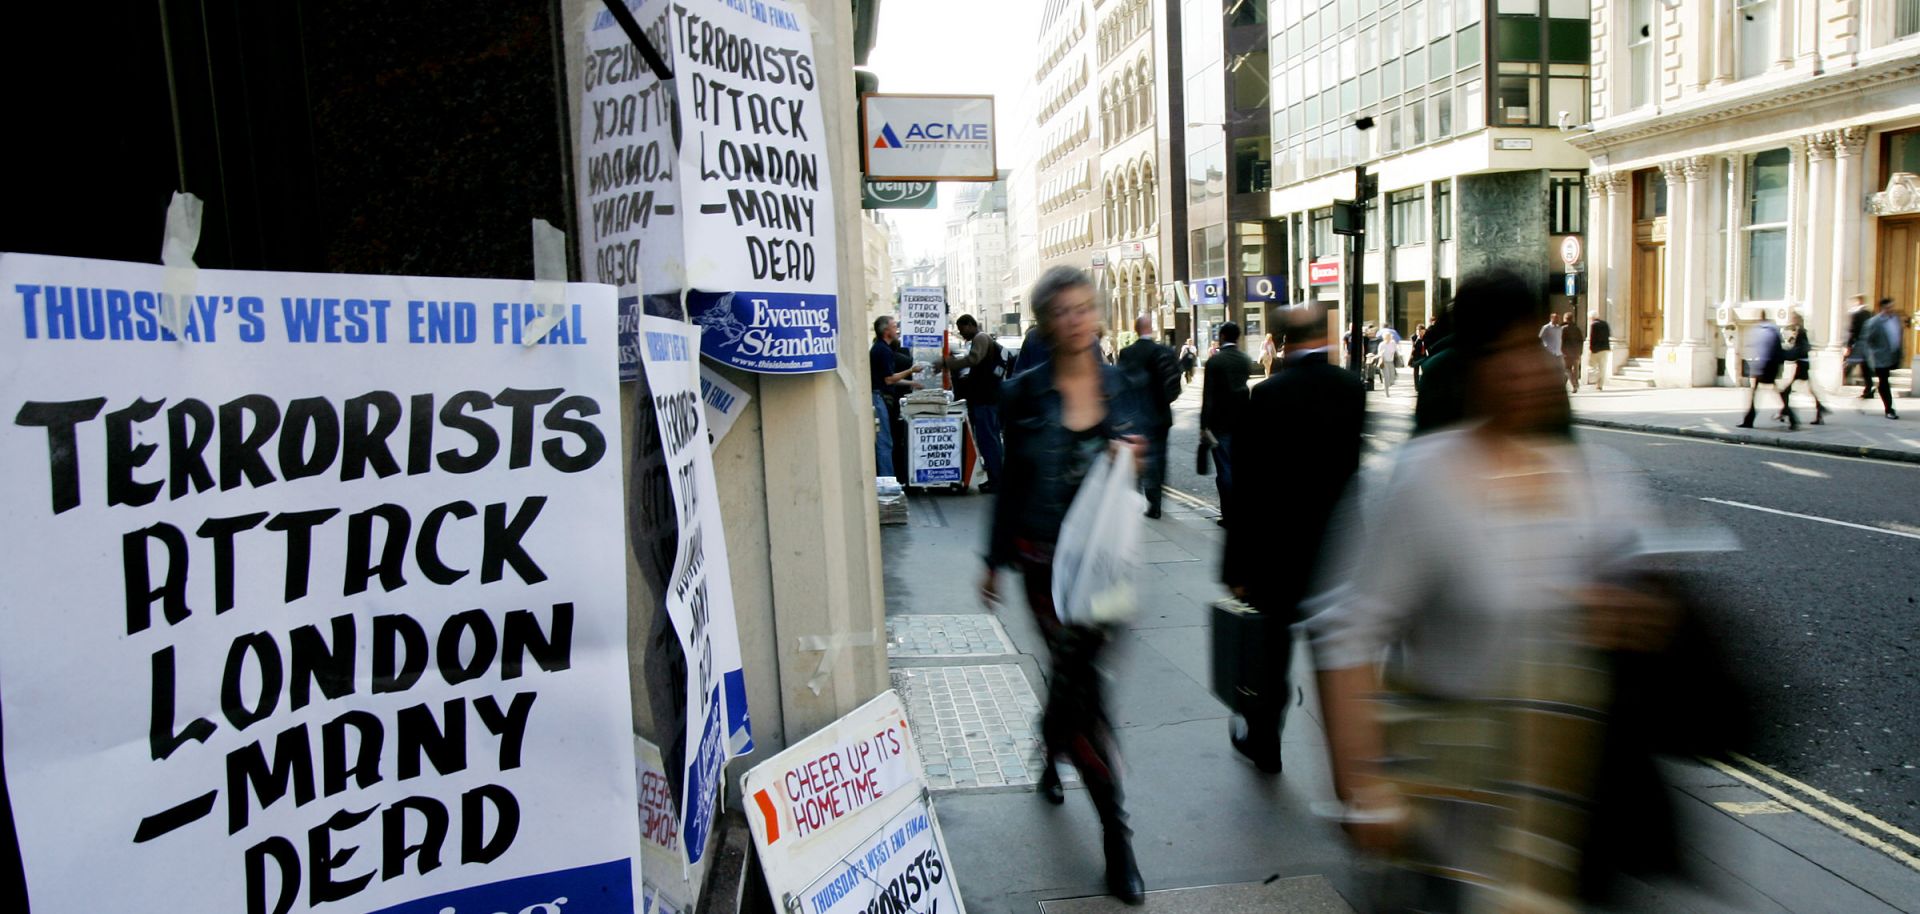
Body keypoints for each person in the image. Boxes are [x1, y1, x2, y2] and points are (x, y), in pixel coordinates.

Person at [1308, 267, 1671, 911]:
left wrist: (1631, 613)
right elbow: (1347, 633)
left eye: (1536, 343)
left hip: (1578, 805)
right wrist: (1364, 788)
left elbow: (1645, 606)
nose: (1528, 368)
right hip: (1460, 810)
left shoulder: (1598, 477)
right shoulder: (1427, 481)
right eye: (1502, 351)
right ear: (1470, 367)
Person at [981, 265, 1148, 904]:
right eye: (1063, 310)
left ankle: (1048, 745)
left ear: (1098, 315)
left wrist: (1136, 456)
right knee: (1088, 695)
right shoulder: (1022, 394)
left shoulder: (1122, 383)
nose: (1077, 319)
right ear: (1046, 322)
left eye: (1086, 307)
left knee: (1076, 682)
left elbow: (1143, 460)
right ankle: (1118, 835)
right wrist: (993, 561)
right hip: (1043, 562)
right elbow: (1013, 483)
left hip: (1105, 564)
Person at [1221, 304, 1364, 774]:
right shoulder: (1352, 390)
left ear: (1282, 342)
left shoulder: (1267, 396)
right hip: (1337, 550)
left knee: (1272, 657)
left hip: (1276, 554)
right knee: (1335, 658)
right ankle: (1348, 762)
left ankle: (1265, 744)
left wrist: (1236, 568)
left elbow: (1245, 489)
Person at [1118, 315, 1182, 518]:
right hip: (1160, 416)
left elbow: (1121, 386)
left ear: (1136, 330)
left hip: (1135, 416)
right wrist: (1163, 402)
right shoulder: (1164, 351)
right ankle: (1155, 505)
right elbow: (1174, 384)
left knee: (1136, 457)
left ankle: (1135, 500)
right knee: (1159, 458)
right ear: (1151, 328)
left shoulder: (1127, 353)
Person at [936, 314, 1008, 491]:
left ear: (970, 325)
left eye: (962, 329)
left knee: (988, 439)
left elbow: (973, 359)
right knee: (988, 439)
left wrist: (948, 363)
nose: (961, 334)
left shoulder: (980, 338)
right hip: (985, 398)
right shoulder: (980, 339)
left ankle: (997, 480)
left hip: (986, 399)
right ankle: (995, 478)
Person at [1201, 321, 1253, 526]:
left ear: (1221, 336)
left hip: (1220, 424)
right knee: (1238, 468)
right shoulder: (1245, 360)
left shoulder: (1215, 362)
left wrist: (1203, 426)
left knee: (1224, 469)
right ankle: (1241, 511)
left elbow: (1208, 397)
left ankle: (1229, 515)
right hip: (1242, 421)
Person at [869, 316, 922, 475]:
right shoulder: (882, 350)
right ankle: (888, 482)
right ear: (886, 331)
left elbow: (890, 379)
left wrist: (911, 383)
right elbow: (889, 379)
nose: (896, 330)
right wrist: (910, 371)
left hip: (881, 396)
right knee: (885, 443)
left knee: (886, 442)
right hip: (879, 398)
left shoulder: (882, 349)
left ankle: (889, 479)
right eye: (894, 327)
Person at [1738, 318, 1793, 430]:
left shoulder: (1766, 332)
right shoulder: (1774, 331)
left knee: (1759, 394)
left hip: (1766, 367)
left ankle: (1749, 421)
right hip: (1769, 367)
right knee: (1772, 393)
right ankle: (1792, 418)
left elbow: (1764, 350)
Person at [1776, 311, 1827, 425]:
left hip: (1802, 365)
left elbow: (1800, 350)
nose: (1792, 321)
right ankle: (1820, 410)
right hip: (1803, 364)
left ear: (1797, 320)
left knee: (1786, 391)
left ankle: (1786, 412)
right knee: (1808, 390)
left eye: (1793, 318)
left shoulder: (1801, 332)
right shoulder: (1801, 331)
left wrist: (1786, 353)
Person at [1861, 297, 1905, 419]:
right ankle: (1889, 409)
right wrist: (1874, 353)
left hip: (1894, 355)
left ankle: (1879, 390)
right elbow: (1868, 340)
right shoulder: (1874, 322)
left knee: (1884, 381)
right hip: (1880, 357)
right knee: (1884, 380)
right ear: (1882, 308)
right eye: (1888, 308)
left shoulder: (1895, 319)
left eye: (1892, 307)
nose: (1891, 309)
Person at [1845, 294, 1875, 396]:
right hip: (1868, 344)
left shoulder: (1856, 314)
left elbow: (1853, 331)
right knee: (1865, 366)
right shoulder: (1871, 313)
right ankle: (1869, 387)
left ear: (1859, 301)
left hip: (1859, 343)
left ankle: (1841, 381)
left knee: (1850, 363)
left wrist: (1849, 345)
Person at [1560, 311, 1584, 393]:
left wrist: (1561, 351)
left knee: (1567, 369)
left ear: (1565, 319)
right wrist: (1580, 351)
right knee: (1576, 369)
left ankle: (1574, 384)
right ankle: (1575, 383)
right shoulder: (1577, 329)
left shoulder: (1563, 329)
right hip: (1576, 352)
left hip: (1566, 353)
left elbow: (1561, 341)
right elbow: (1581, 340)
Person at [1588, 312, 1613, 391]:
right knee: (1602, 367)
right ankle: (1600, 385)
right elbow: (1609, 334)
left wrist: (1591, 349)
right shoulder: (1605, 323)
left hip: (1596, 349)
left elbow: (1592, 338)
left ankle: (1596, 381)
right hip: (1605, 348)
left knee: (1592, 365)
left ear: (1591, 318)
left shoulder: (1593, 325)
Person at [1376, 324, 1401, 394]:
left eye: (1390, 337)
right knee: (1386, 377)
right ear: (1384, 338)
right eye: (1388, 337)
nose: (1389, 338)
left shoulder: (1393, 343)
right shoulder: (1381, 344)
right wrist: (1381, 354)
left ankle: (1386, 385)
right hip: (1384, 362)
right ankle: (1386, 392)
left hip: (1391, 362)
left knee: (1392, 378)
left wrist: (1398, 356)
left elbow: (1396, 351)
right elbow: (1379, 354)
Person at [1408, 323, 1430, 387]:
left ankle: (1423, 384)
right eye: (1421, 332)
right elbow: (1413, 347)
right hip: (1416, 356)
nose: (1423, 334)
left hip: (1423, 356)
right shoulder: (1414, 337)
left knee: (1425, 370)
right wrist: (1418, 339)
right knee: (1416, 372)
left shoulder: (1426, 336)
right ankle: (1417, 386)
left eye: (1424, 332)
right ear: (1418, 331)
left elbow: (1428, 345)